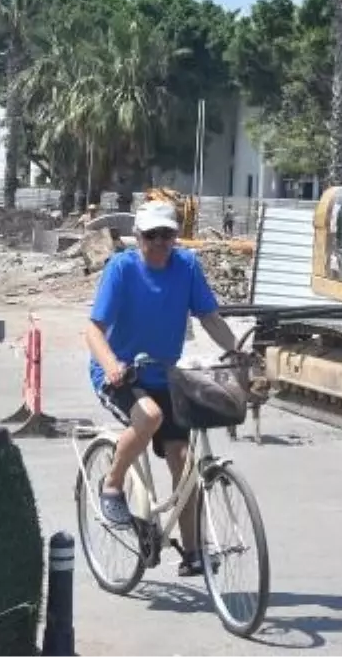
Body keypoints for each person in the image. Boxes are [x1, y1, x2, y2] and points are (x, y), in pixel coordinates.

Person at [84, 199, 240, 576]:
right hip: (121, 375)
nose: (158, 243)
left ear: (176, 237)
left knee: (184, 462)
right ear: (137, 236)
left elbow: (209, 317)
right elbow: (93, 330)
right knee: (149, 416)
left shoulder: (186, 267)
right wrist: (112, 366)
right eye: (150, 235)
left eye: (166, 235)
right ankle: (112, 484)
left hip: (163, 376)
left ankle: (192, 553)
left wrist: (237, 351)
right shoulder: (121, 269)